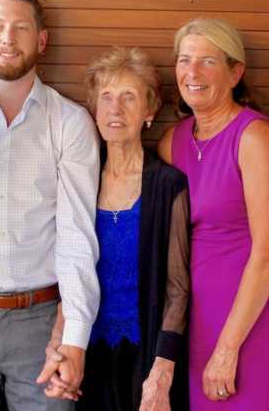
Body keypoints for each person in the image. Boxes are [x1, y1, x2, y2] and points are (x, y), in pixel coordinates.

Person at [0, 0, 100, 409]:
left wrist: (75, 338)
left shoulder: (70, 123)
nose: (7, 39)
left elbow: (77, 237)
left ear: (42, 40)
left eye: (20, 28)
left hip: (41, 322)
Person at [158, 18, 269, 410]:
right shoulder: (174, 142)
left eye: (207, 61)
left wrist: (228, 348)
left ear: (235, 72)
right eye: (184, 60)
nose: (192, 73)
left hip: (246, 321)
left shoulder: (255, 138)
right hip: (192, 319)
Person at [72, 46, 190, 411]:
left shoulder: (168, 184)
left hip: (147, 355)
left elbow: (178, 288)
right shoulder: (79, 182)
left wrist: (162, 370)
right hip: (86, 353)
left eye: (128, 97)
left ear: (149, 111)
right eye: (106, 97)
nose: (115, 109)